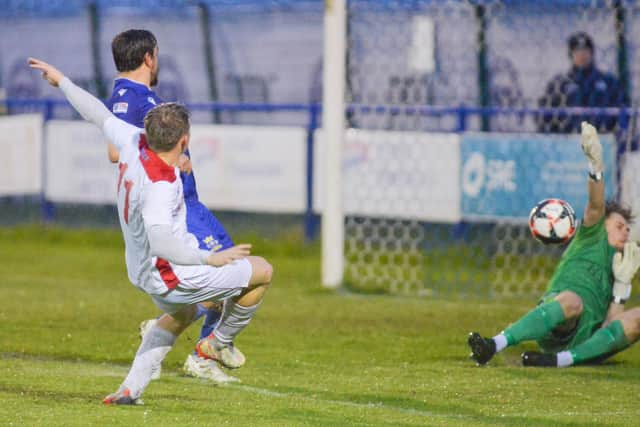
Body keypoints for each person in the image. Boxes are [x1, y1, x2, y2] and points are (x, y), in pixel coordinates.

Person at [28, 57, 274, 404]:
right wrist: (211, 258)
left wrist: (62, 81)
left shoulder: (132, 140)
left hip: (139, 269)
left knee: (183, 314)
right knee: (262, 272)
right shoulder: (162, 184)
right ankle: (216, 344)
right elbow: (160, 238)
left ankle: (130, 389)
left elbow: (96, 112)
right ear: (184, 140)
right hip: (170, 274)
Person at [105, 29, 237, 383]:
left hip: (189, 202)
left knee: (224, 281)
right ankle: (201, 354)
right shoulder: (132, 97)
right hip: (183, 207)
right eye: (157, 55)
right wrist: (167, 158)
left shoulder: (129, 95)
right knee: (230, 276)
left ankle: (174, 330)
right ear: (149, 57)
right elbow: (117, 151)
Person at [468, 121, 640, 368]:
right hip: (561, 319)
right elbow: (595, 205)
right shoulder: (592, 236)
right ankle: (493, 344)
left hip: (586, 341)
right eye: (619, 225)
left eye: (628, 228)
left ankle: (558, 361)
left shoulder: (623, 265)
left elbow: (609, 330)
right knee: (573, 301)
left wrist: (622, 287)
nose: (625, 231)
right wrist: (596, 167)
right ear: (602, 225)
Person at [537, 32, 627, 134]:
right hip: (568, 140)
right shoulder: (559, 84)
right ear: (571, 54)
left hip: (603, 139)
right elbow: (545, 116)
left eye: (585, 49)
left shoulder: (608, 82)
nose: (582, 54)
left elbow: (622, 111)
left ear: (591, 53)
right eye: (577, 50)